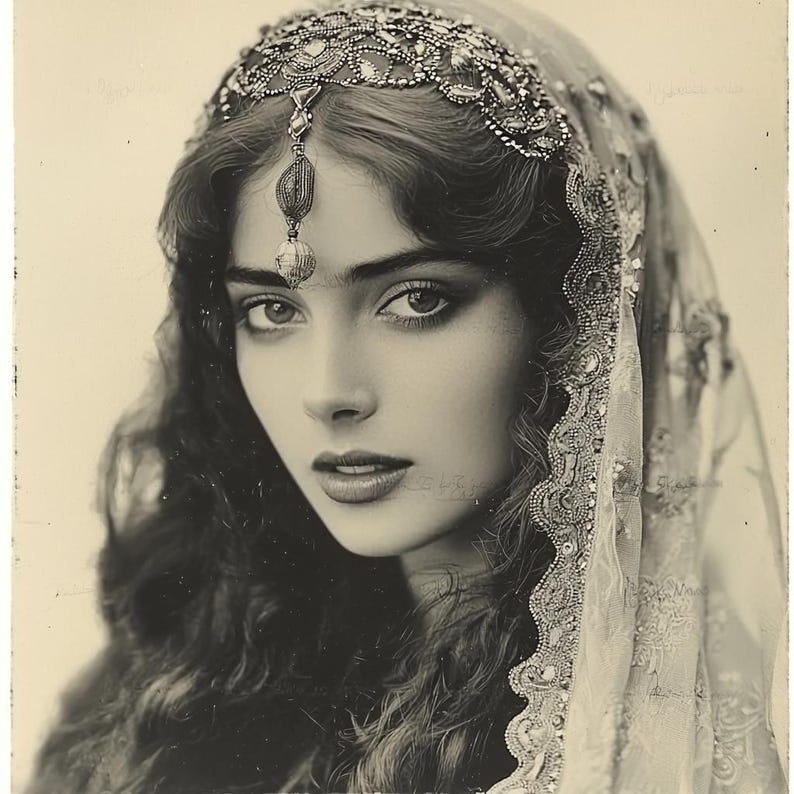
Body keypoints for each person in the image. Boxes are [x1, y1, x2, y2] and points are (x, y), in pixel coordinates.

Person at [30, 0, 787, 791]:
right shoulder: (173, 693)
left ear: (575, 319)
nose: (329, 393)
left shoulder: (660, 735)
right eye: (273, 310)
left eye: (417, 301)